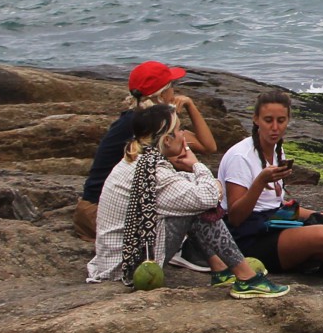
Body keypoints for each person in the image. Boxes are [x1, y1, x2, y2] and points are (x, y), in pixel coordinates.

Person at [86, 104, 290, 299]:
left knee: (194, 202)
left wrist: (205, 184)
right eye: (179, 129)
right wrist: (197, 165)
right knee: (198, 209)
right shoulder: (155, 172)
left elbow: (188, 189)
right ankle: (247, 278)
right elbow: (207, 197)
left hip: (114, 260)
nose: (184, 134)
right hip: (128, 269)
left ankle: (220, 269)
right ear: (167, 140)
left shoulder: (138, 159)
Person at [221, 89, 323, 281]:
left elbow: (276, 207)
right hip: (246, 238)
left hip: (270, 225)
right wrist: (260, 182)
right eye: (268, 120)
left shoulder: (276, 152)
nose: (274, 127)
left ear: (288, 120)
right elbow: (235, 218)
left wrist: (322, 215)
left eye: (281, 120)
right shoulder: (240, 157)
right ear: (256, 119)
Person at [73, 60, 219, 241]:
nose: (175, 91)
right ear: (164, 94)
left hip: (97, 209)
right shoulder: (144, 126)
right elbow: (206, 148)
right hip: (99, 213)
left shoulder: (139, 119)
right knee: (196, 204)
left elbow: (208, 147)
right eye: (172, 86)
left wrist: (190, 105)